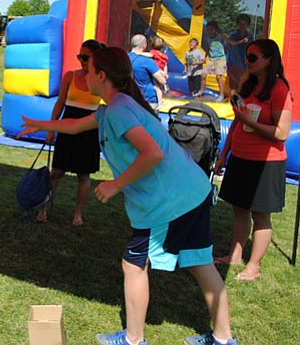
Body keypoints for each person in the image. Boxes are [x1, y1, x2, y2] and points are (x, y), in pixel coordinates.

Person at [18, 47, 237, 345]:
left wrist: (115, 184)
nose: (83, 74)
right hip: (193, 191)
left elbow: (153, 153)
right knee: (201, 262)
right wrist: (39, 125)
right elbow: (76, 125)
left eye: (88, 69)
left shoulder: (120, 109)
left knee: (134, 264)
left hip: (169, 201)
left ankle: (134, 339)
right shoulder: (115, 107)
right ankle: (224, 339)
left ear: (102, 75)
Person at [214, 39, 292, 282]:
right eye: (247, 57)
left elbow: (282, 133)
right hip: (240, 156)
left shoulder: (280, 89)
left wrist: (251, 123)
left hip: (266, 161)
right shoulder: (248, 83)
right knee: (239, 209)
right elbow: (238, 120)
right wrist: (223, 154)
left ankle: (254, 266)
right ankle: (234, 256)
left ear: (269, 60)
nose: (247, 61)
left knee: (260, 215)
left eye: (252, 57)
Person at [37, 39, 104, 226]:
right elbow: (59, 103)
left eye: (85, 57)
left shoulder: (101, 78)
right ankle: (44, 208)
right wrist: (51, 128)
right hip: (67, 127)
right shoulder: (70, 76)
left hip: (89, 130)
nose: (81, 60)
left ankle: (78, 214)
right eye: (79, 56)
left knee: (84, 175)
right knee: (56, 171)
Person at [128, 34, 166, 111]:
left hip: (129, 99)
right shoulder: (147, 61)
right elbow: (162, 81)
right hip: (148, 100)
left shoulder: (125, 57)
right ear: (144, 45)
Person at [223, 14, 252, 94]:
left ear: (247, 25)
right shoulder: (233, 36)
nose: (242, 26)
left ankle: (240, 100)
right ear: (237, 24)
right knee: (233, 85)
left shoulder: (250, 37)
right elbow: (226, 47)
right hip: (233, 64)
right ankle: (233, 100)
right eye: (240, 23)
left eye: (244, 24)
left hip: (244, 65)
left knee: (242, 85)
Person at [201, 21, 227, 102]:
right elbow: (209, 48)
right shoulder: (208, 39)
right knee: (203, 74)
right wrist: (205, 57)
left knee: (218, 77)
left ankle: (221, 94)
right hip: (212, 59)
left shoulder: (220, 37)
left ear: (216, 30)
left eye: (211, 30)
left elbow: (228, 44)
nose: (209, 32)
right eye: (208, 30)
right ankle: (201, 91)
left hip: (220, 59)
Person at [145, 35, 169, 105]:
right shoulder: (164, 55)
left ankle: (160, 101)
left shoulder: (153, 52)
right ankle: (164, 87)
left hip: (156, 71)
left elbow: (149, 55)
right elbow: (165, 65)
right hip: (162, 72)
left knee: (156, 87)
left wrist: (140, 53)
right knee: (159, 86)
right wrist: (165, 74)